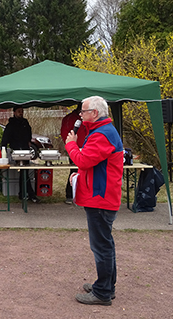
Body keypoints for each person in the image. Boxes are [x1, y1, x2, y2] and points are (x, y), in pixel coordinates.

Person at [65, 96, 123, 306]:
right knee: (105, 244)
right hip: (101, 195)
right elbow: (91, 163)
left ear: (95, 113)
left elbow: (82, 159)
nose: (80, 115)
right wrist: (79, 177)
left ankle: (102, 292)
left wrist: (71, 145)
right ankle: (107, 286)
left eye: (83, 111)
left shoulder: (102, 134)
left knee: (101, 246)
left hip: (100, 198)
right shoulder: (101, 132)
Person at [1, 106, 39, 203]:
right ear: (14, 112)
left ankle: (23, 194)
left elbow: (29, 134)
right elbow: (5, 138)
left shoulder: (25, 123)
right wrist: (3, 150)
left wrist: (29, 142)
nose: (20, 113)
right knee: (24, 172)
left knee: (25, 172)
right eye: (19, 112)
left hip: (25, 150)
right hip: (17, 152)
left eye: (22, 111)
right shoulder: (11, 125)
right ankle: (29, 194)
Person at [60, 104, 88, 204]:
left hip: (85, 148)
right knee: (74, 170)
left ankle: (81, 194)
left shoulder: (87, 120)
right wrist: (70, 146)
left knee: (84, 172)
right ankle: (70, 194)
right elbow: (64, 133)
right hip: (75, 148)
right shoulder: (69, 119)